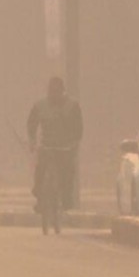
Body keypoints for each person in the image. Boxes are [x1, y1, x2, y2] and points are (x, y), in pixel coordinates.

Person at [27, 77, 83, 212]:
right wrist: (32, 140)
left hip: (65, 147)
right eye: (52, 91)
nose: (54, 94)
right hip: (47, 146)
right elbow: (32, 123)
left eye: (57, 91)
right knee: (40, 169)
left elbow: (78, 127)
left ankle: (67, 199)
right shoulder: (40, 105)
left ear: (62, 91)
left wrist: (75, 143)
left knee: (67, 173)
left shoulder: (72, 106)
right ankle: (40, 198)